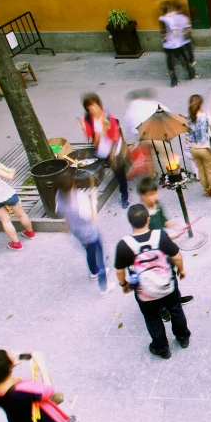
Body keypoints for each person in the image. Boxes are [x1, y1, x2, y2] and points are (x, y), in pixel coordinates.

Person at [115, 204, 190, 359]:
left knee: (152, 319)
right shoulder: (160, 236)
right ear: (148, 219)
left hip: (144, 291)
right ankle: (183, 338)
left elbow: (119, 270)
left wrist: (124, 285)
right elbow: (176, 256)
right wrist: (181, 270)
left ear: (130, 222)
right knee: (176, 309)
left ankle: (162, 349)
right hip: (167, 285)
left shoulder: (124, 244)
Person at [0, 350, 71, 422]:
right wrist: (41, 363)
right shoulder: (20, 392)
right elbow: (48, 390)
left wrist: (8, 367)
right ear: (7, 369)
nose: (13, 355)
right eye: (10, 356)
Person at [137, 177, 193, 315]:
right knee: (157, 280)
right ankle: (161, 309)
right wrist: (171, 236)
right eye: (148, 195)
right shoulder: (141, 214)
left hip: (164, 246)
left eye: (154, 193)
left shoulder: (158, 205)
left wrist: (177, 225)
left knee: (170, 274)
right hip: (152, 252)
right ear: (142, 196)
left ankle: (175, 299)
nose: (152, 198)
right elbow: (147, 238)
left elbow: (164, 221)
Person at [55, 170, 115, 298]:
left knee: (89, 251)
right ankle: (104, 287)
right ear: (72, 183)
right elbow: (92, 217)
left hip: (76, 231)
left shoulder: (59, 195)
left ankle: (94, 271)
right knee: (99, 256)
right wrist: (93, 200)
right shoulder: (80, 199)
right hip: (90, 233)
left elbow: (62, 212)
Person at [77, 93, 129, 209]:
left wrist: (106, 130)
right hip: (102, 149)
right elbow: (91, 135)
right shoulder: (88, 119)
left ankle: (124, 196)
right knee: (104, 168)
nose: (93, 110)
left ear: (98, 105)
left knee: (120, 174)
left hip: (113, 150)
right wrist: (84, 129)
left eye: (94, 106)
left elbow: (115, 137)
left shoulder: (107, 116)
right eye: (89, 108)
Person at [0, 159, 35, 251]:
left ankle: (16, 243)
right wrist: (12, 169)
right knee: (21, 214)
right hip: (7, 193)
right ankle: (30, 233)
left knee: (5, 220)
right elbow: (9, 176)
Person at [186, 94, 211, 198]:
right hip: (205, 148)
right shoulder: (205, 116)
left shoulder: (187, 117)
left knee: (201, 170)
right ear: (201, 105)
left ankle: (207, 190)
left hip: (193, 148)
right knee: (210, 171)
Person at [159, 2, 197, 87]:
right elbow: (174, 31)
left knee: (170, 62)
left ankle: (174, 81)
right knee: (183, 58)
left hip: (166, 44)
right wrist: (179, 33)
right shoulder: (170, 18)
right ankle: (191, 74)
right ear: (168, 10)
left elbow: (163, 32)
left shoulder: (162, 18)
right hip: (175, 43)